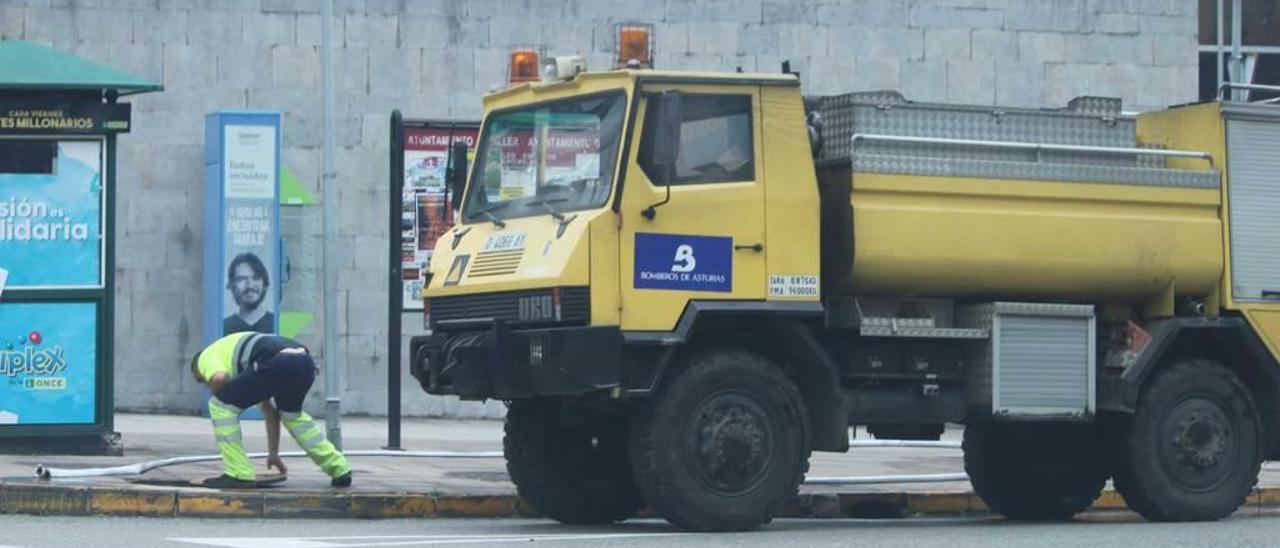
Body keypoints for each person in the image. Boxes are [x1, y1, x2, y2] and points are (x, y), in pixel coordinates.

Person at [191, 331, 352, 488]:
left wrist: (219, 395)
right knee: (292, 416)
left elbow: (219, 378)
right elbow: (271, 413)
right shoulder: (249, 368)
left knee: (220, 406)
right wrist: (273, 454)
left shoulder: (205, 357)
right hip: (304, 361)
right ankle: (339, 468)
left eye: (201, 380)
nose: (205, 383)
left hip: (277, 362)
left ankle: (238, 473)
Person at [223, 252, 275, 335]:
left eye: (256, 278)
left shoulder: (277, 324)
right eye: (241, 279)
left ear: (264, 283)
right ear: (231, 285)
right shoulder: (223, 327)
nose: (249, 286)